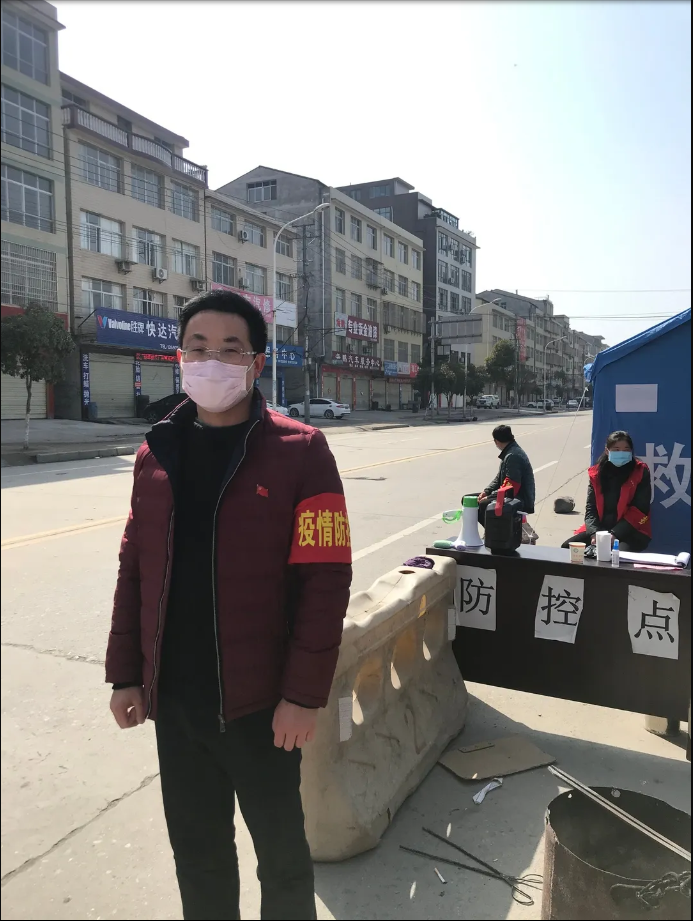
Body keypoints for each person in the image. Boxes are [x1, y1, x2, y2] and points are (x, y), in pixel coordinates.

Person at [105, 290, 352, 921]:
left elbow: (325, 581)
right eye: (198, 348)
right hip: (175, 703)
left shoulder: (301, 452)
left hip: (261, 707)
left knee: (282, 860)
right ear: (179, 358)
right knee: (198, 856)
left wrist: (303, 696)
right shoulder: (155, 453)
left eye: (230, 349)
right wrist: (126, 674)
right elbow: (135, 569)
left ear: (256, 363)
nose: (211, 361)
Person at [561, 430, 651, 552]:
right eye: (616, 449)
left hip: (631, 530)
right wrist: (594, 533)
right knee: (567, 548)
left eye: (626, 449)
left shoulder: (640, 471)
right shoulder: (596, 473)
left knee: (617, 556)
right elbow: (591, 508)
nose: (621, 453)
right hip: (600, 530)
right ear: (607, 451)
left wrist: (615, 534)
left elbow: (641, 510)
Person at [466, 424, 536, 526]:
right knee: (468, 500)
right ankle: (490, 531)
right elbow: (498, 478)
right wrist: (486, 491)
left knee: (483, 504)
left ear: (496, 441)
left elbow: (512, 485)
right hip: (508, 493)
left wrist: (491, 496)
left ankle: (496, 532)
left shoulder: (513, 456)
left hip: (518, 497)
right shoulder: (509, 452)